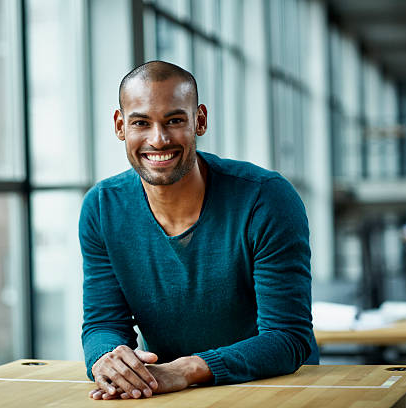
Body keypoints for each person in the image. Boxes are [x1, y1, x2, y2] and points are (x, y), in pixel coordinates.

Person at [79, 60, 319, 401]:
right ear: (121, 126)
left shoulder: (266, 197)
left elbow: (287, 338)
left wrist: (185, 369)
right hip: (170, 393)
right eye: (141, 123)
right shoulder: (102, 207)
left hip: (279, 390)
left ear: (200, 120)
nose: (158, 139)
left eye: (175, 121)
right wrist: (109, 359)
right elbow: (103, 323)